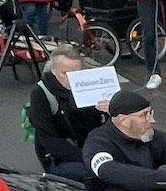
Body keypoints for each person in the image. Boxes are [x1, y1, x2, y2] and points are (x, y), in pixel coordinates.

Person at [26, 48, 107, 177]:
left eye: (76, 73)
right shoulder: (41, 93)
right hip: (61, 157)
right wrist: (87, 157)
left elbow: (99, 125)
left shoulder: (88, 87)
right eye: (65, 73)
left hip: (91, 147)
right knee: (98, 173)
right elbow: (49, 139)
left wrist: (108, 112)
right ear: (53, 70)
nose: (71, 79)